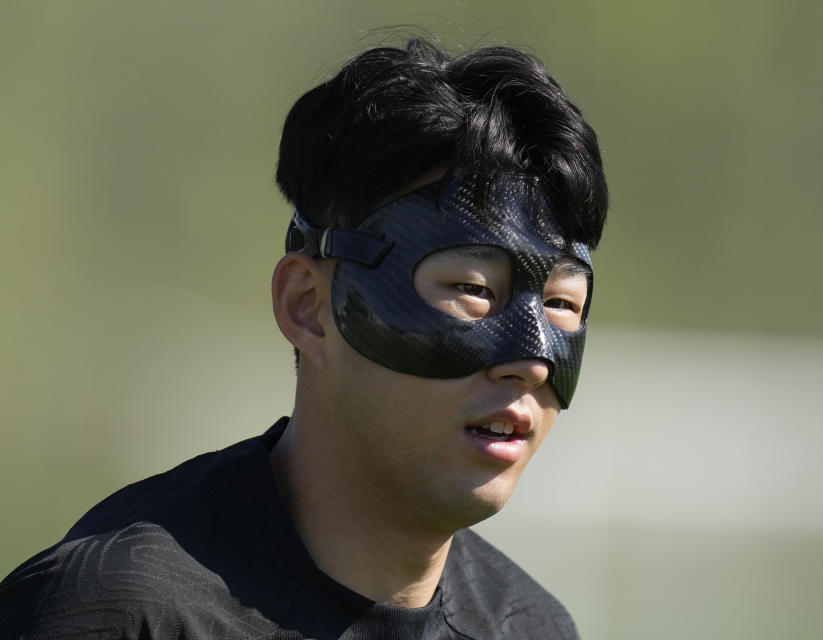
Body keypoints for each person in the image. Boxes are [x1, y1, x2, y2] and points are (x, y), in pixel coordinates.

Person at [0, 37, 607, 639]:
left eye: (561, 303)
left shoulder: (530, 627)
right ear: (309, 307)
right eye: (474, 288)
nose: (529, 362)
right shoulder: (110, 613)